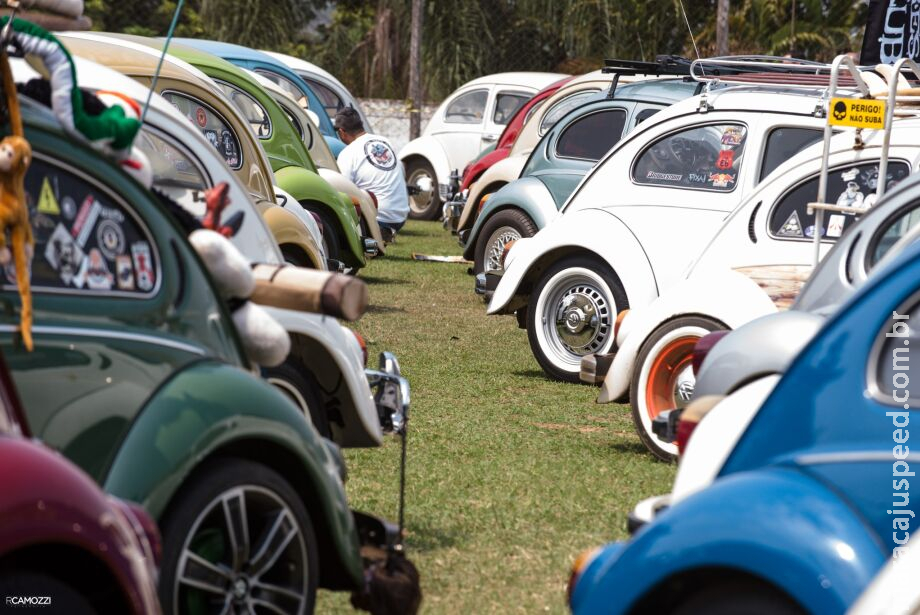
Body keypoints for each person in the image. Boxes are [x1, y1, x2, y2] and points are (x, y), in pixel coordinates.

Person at [334, 107, 409, 241]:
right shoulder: (385, 141)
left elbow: (342, 190)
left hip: (378, 217)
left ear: (341, 132)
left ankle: (372, 234)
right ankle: (382, 234)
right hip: (400, 216)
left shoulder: (348, 153)